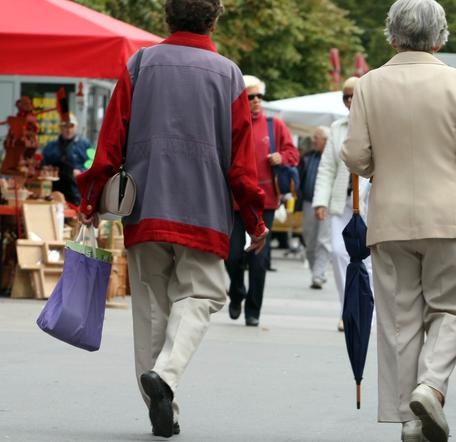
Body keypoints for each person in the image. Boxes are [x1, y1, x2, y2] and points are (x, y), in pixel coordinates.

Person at [76, 0, 268, 437]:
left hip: (144, 206)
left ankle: (161, 405)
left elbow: (110, 142)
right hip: (204, 209)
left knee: (149, 309)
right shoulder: (230, 75)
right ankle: (167, 375)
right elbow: (241, 164)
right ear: (214, 19)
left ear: (167, 17)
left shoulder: (140, 65)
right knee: (206, 292)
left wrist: (89, 198)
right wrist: (255, 218)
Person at [341, 1, 456, 441]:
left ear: (392, 36)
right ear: (440, 38)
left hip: (390, 221)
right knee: (453, 310)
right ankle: (431, 386)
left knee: (400, 320)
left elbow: (357, 158)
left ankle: (410, 420)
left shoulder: (368, 86)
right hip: (452, 219)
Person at [224, 75, 299, 327]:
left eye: (259, 97)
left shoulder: (274, 125)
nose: (256, 101)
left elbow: (293, 153)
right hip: (235, 200)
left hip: (265, 201)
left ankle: (253, 310)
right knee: (232, 256)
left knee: (259, 259)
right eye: (250, 97)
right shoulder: (231, 125)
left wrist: (282, 156)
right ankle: (236, 293)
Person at [312, 77, 373, 332]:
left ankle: (367, 310)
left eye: (354, 96)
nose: (350, 101)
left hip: (369, 202)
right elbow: (326, 168)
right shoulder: (337, 127)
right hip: (342, 201)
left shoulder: (376, 125)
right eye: (346, 97)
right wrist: (320, 201)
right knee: (338, 252)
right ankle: (347, 310)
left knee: (368, 260)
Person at [299, 126, 332, 289]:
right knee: (309, 240)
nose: (313, 140)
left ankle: (318, 275)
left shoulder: (333, 158)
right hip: (307, 203)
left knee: (323, 240)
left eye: (317, 137)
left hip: (327, 204)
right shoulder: (307, 157)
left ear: (326, 140)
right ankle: (315, 271)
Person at [40, 113, 91, 205]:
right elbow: (42, 165)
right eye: (65, 126)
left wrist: (81, 172)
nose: (68, 129)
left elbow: (93, 165)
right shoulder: (51, 146)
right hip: (55, 191)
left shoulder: (85, 145)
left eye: (71, 126)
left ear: (76, 127)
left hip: (76, 190)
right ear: (60, 127)